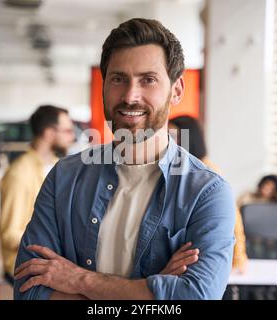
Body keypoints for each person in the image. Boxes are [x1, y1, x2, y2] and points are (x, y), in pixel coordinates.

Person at [13, 18, 235, 300]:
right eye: (118, 79)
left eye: (148, 80)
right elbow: (28, 291)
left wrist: (79, 280)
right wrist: (151, 291)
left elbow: (195, 297)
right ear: (104, 86)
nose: (130, 96)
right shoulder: (64, 177)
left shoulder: (206, 193)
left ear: (176, 90)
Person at [0, 105, 76, 284]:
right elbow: (10, 234)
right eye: (67, 131)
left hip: (55, 258)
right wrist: (57, 246)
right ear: (49, 134)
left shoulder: (61, 168)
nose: (72, 137)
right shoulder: (19, 174)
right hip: (27, 264)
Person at [169, 115, 248, 273]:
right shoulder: (177, 168)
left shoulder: (208, 174)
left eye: (173, 137)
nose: (167, 142)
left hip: (203, 262)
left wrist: (238, 259)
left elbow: (233, 219)